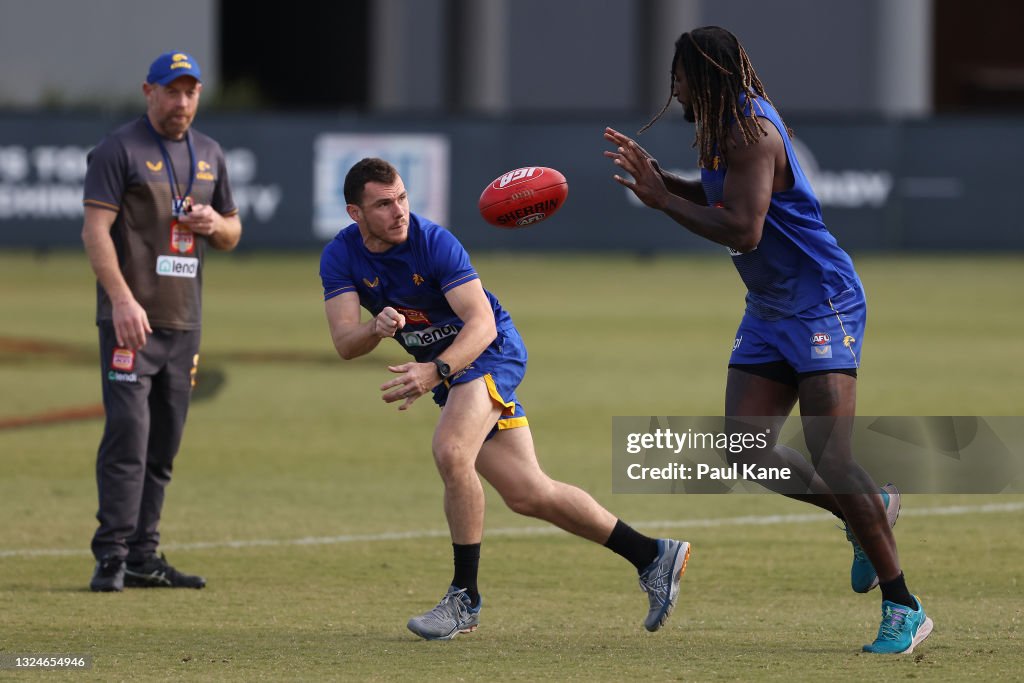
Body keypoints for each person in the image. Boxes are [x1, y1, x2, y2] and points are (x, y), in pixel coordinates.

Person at [603, 26, 931, 655]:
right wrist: (663, 183)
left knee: (830, 455)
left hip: (821, 300)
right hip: (771, 306)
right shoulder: (724, 127)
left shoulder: (750, 130)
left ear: (701, 76)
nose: (671, 92)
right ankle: (870, 508)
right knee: (745, 449)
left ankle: (904, 606)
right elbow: (724, 198)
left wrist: (660, 200)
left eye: (677, 78)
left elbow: (744, 229)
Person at [320, 157, 690, 640]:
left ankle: (464, 599)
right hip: (454, 371)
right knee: (528, 493)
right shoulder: (340, 257)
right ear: (355, 213)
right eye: (384, 204)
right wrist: (376, 327)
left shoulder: (433, 243)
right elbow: (346, 343)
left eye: (403, 198)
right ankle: (653, 555)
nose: (399, 211)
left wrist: (435, 370)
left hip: (490, 353)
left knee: (451, 451)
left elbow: (482, 323)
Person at [82, 51, 242, 592]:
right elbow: (95, 232)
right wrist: (122, 301)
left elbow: (232, 233)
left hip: (183, 323)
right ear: (148, 92)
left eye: (190, 92)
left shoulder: (211, 154)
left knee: (165, 443)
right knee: (128, 436)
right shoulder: (118, 149)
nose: (181, 102)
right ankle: (111, 553)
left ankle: (143, 555)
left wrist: (213, 221)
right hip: (131, 320)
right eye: (171, 91)